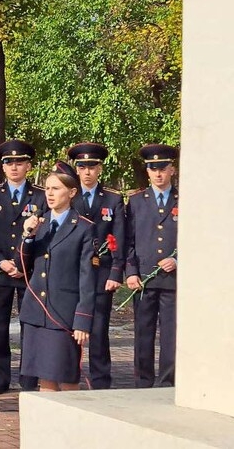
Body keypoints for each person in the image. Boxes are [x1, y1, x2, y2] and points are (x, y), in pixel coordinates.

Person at [19, 161, 97, 392]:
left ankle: (71, 427)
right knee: (45, 378)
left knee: (66, 377)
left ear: (72, 192)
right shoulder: (39, 224)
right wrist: (27, 235)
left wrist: (82, 320)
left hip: (63, 314)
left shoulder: (83, 227)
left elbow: (87, 278)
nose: (49, 194)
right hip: (37, 311)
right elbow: (21, 265)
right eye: (47, 188)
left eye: (56, 188)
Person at [0, 139, 46, 395]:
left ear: (28, 165)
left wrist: (22, 263)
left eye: (19, 162)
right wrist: (0, 261)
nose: (14, 167)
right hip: (1, 270)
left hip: (28, 271)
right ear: (3, 167)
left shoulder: (40, 195)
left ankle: (29, 376)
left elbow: (44, 233)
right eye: (9, 163)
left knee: (29, 323)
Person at [68, 142, 125, 390]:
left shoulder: (112, 198)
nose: (87, 172)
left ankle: (101, 380)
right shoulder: (69, 195)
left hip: (102, 272)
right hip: (72, 272)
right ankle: (69, 374)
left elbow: (120, 237)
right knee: (71, 326)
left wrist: (115, 272)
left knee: (99, 329)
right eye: (82, 166)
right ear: (76, 169)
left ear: (100, 168)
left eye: (92, 166)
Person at [125, 144, 179, 388]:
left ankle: (167, 381)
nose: (158, 174)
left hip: (173, 279)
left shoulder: (184, 200)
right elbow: (128, 240)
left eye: (163, 168)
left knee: (170, 334)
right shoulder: (136, 201)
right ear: (147, 171)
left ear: (172, 170)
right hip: (144, 278)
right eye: (153, 169)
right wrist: (131, 272)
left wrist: (179, 260)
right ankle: (143, 382)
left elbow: (197, 238)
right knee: (143, 333)